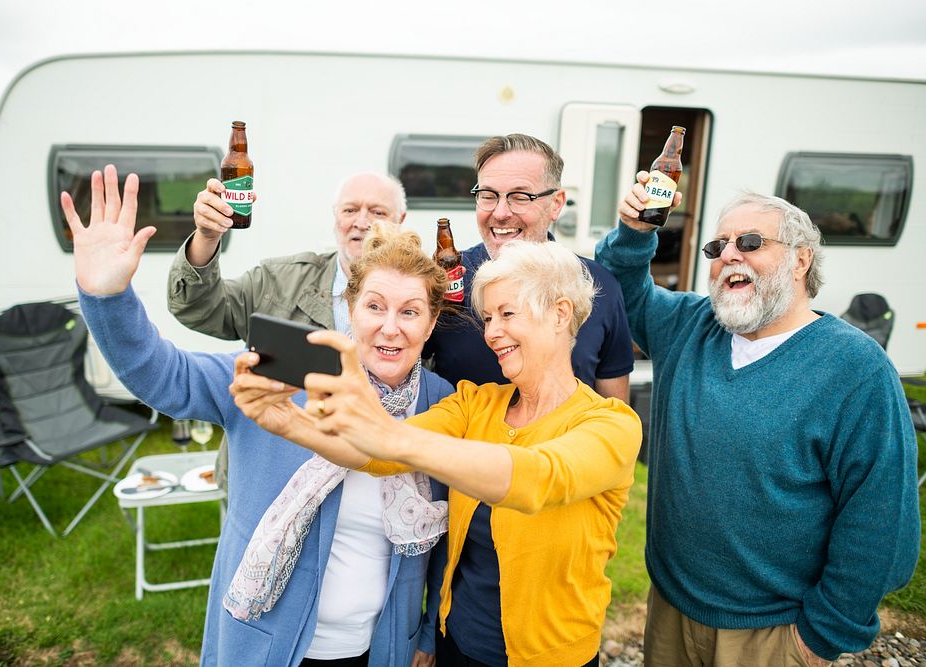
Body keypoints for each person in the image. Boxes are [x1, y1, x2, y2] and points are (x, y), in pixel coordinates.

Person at [62, 165, 452, 667]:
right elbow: (166, 376)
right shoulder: (286, 374)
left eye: (410, 311)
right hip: (266, 645)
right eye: (375, 306)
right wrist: (108, 298)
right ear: (350, 308)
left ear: (431, 320)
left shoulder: (441, 405)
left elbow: (448, 541)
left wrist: (423, 634)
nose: (390, 328)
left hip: (381, 649)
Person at [233, 239, 643, 666]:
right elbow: (377, 456)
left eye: (507, 314)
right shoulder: (476, 403)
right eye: (487, 318)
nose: (491, 333)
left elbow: (535, 479)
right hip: (458, 645)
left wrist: (392, 439)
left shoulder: (611, 425)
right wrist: (292, 425)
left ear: (560, 314)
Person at [594, 174, 921, 666]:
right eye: (718, 245)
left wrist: (820, 638)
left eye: (750, 242)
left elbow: (879, 521)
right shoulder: (690, 325)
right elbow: (617, 290)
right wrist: (636, 232)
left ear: (801, 259)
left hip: (774, 632)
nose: (729, 254)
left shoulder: (856, 369)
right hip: (671, 609)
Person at [167, 171, 407, 488]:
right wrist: (208, 237)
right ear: (336, 216)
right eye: (350, 210)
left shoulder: (420, 295)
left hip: (374, 479)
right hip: (273, 481)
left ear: (400, 220)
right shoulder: (278, 280)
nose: (361, 222)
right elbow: (198, 308)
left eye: (377, 212)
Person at [423, 133, 634, 402]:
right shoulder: (444, 281)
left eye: (520, 197)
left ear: (556, 204)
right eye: (488, 195)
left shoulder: (599, 285)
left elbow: (615, 411)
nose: (500, 213)